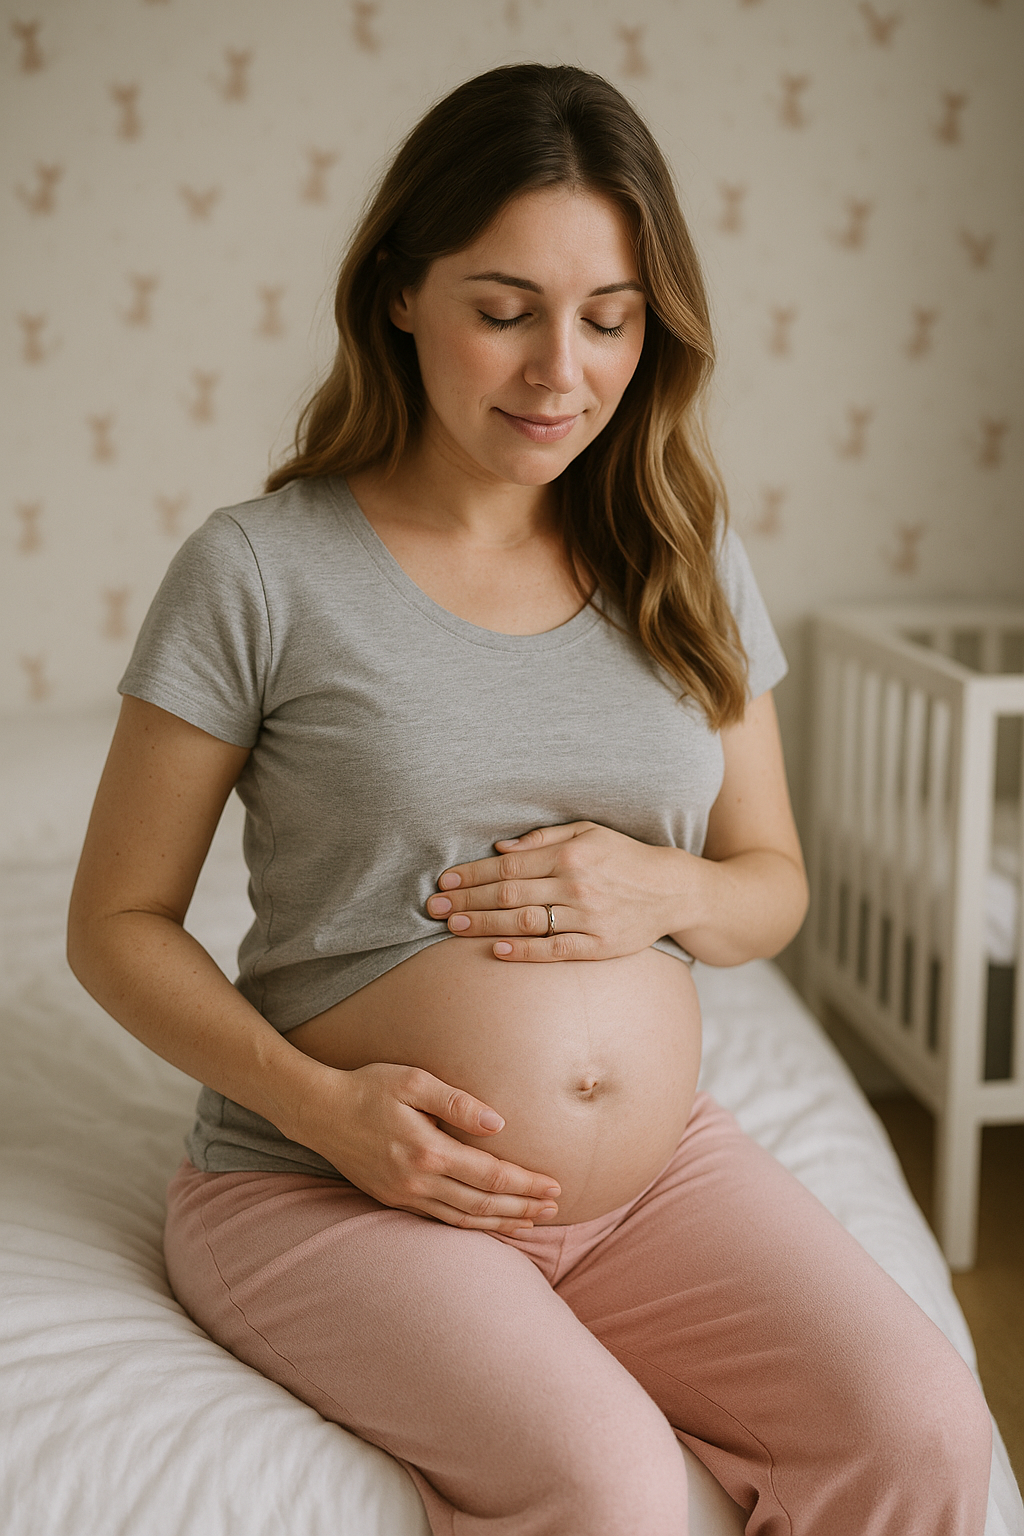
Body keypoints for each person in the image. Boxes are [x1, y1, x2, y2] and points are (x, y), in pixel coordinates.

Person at [67, 63, 991, 1536]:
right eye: (505, 310)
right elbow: (114, 922)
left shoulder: (681, 548)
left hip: (656, 1180)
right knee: (609, 1487)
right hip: (330, 1185)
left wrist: (662, 890)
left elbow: (771, 891)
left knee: (929, 1435)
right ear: (399, 295)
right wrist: (327, 1113)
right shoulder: (259, 571)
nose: (561, 369)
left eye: (611, 318)